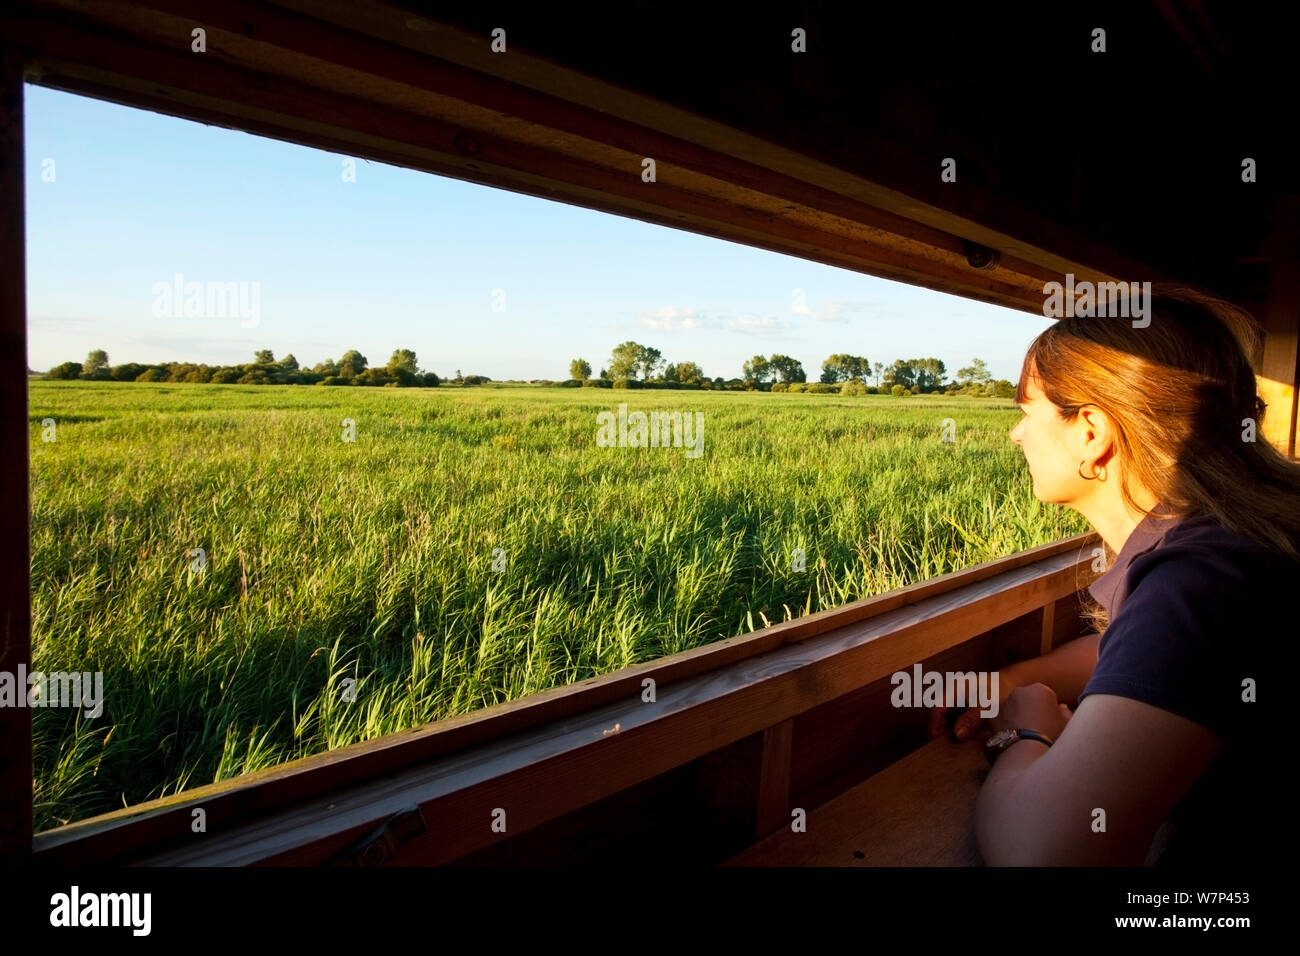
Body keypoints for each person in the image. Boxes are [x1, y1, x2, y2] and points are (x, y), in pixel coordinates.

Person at [936, 283, 1299, 866]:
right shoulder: (1237, 543)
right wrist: (1018, 677)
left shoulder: (1201, 578)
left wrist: (1025, 734)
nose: (1017, 434)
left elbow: (1045, 854)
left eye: (1026, 411)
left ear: (1091, 432)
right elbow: (1152, 655)